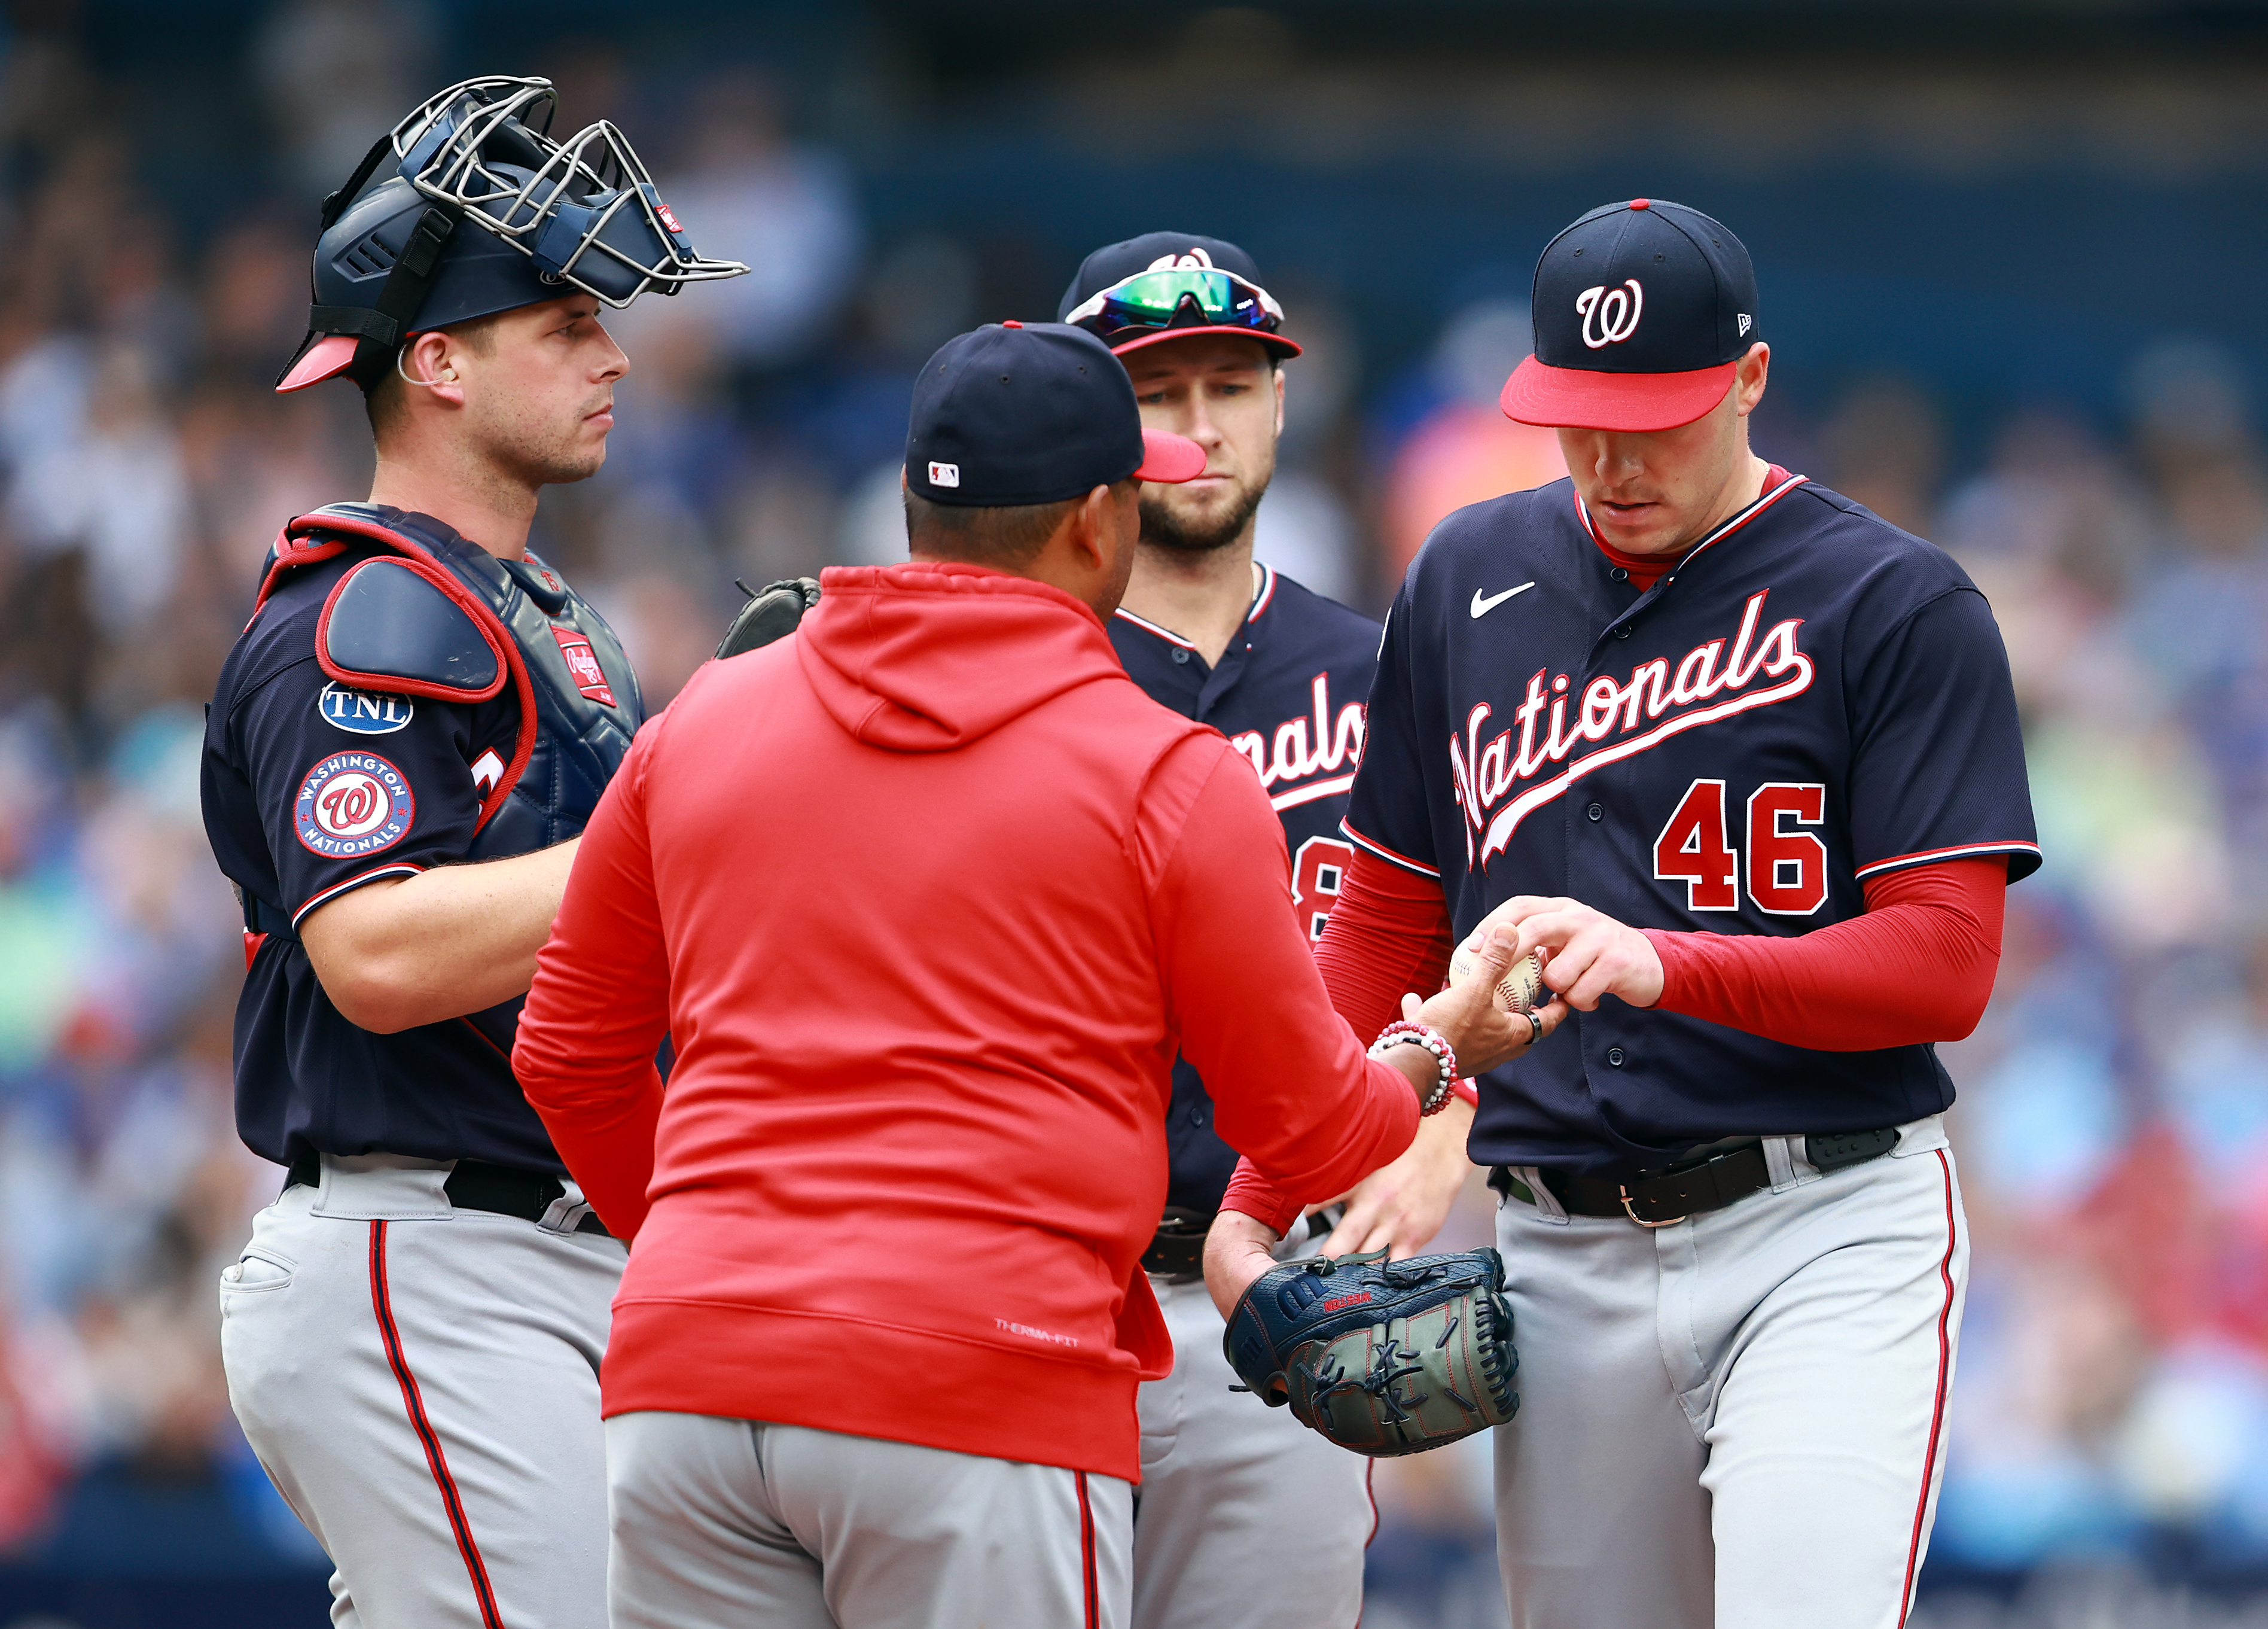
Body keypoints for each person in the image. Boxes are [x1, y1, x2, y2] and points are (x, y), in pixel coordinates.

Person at [510, 319, 1557, 1629]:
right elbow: (1310, 1126)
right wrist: (1445, 1046)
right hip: (978, 1381)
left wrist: (706, 1259)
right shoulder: (1164, 772)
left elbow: (564, 1054)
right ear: (1096, 523)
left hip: (689, 1389)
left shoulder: (706, 717)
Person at [1206, 198, 2041, 1629]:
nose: (1610, 457)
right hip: (1560, 1242)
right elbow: (1386, 928)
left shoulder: (1895, 602)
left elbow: (1947, 967)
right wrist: (1252, 1205)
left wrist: (1668, 964)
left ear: (1753, 380)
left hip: (1823, 1223)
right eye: (1580, 416)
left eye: (1654, 416)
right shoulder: (1465, 578)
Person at [200, 76, 743, 1629]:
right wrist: (701, 801)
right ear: (434, 360)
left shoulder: (543, 619)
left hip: (547, 1255)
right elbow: (370, 950)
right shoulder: (365, 616)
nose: (613, 351)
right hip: (427, 1256)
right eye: (563, 321)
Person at [1059, 232, 1476, 1629]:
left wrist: (1446, 1116)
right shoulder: (1017, 675)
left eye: (1229, 384)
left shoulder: (1385, 672)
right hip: (1041, 1296)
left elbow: (1500, 944)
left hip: (1279, 1302)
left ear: (1282, 404)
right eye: (1155, 391)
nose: (1195, 427)